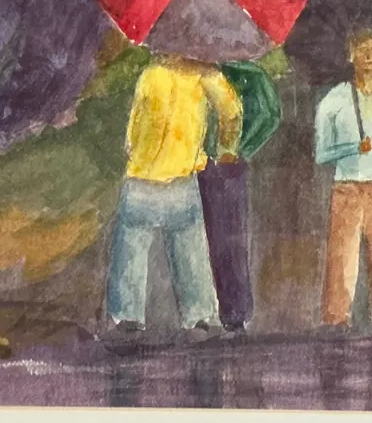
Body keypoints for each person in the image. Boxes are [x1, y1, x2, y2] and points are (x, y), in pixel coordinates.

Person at [104, 54, 242, 350]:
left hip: (141, 179)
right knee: (190, 248)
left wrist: (138, 152)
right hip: (181, 179)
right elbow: (231, 112)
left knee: (130, 249)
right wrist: (226, 149)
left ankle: (127, 318)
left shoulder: (150, 74)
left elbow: (132, 131)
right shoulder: (205, 75)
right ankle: (201, 318)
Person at [314, 29, 372, 334]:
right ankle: (336, 318)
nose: (368, 55)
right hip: (348, 186)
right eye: (362, 49)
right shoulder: (334, 99)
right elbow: (321, 154)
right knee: (343, 255)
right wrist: (352, 148)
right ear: (350, 53)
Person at [197, 60, 281, 337]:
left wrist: (240, 148)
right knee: (201, 240)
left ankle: (232, 314)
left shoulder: (247, 75)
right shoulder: (188, 71)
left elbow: (269, 115)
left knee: (226, 239)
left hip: (220, 165)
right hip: (195, 162)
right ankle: (208, 315)